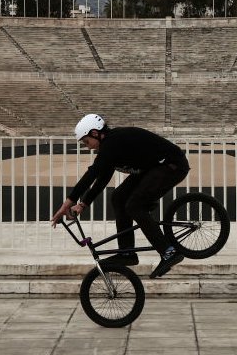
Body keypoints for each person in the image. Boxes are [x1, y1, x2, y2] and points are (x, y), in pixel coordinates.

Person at [51, 114, 190, 278]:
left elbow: (92, 174)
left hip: (171, 165)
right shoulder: (109, 148)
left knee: (134, 206)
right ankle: (127, 253)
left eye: (87, 142)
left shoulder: (113, 142)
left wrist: (67, 203)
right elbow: (102, 179)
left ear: (95, 133)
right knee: (118, 197)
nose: (87, 147)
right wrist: (83, 204)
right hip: (152, 169)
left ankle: (169, 252)